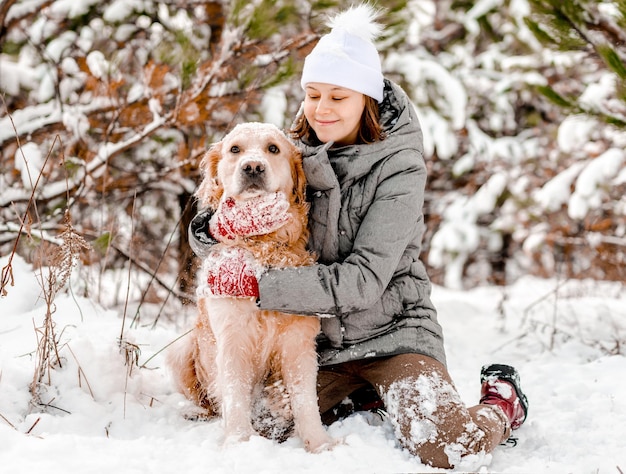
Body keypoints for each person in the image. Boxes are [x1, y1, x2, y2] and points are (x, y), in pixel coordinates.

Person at [188, 4, 528, 469]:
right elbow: (227, 210)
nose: (322, 109)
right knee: (267, 425)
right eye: (313, 94)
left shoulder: (401, 167)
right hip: (321, 343)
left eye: (338, 97)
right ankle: (364, 399)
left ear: (365, 98)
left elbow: (363, 280)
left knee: (447, 445)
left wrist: (256, 289)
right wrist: (212, 230)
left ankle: (502, 402)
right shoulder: (289, 153)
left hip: (391, 335)